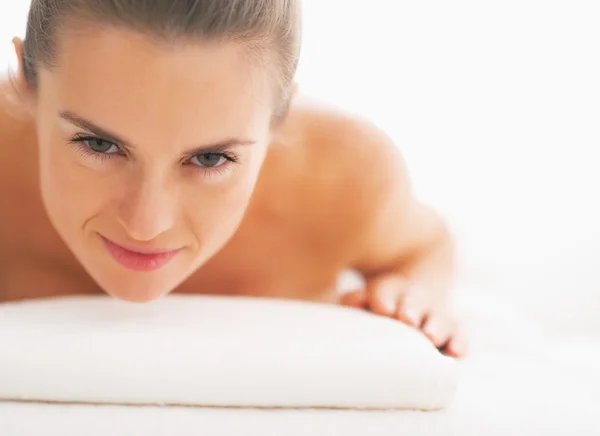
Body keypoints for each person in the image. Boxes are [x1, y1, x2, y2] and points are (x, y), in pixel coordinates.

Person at [0, 0, 465, 357]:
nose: (147, 225)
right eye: (99, 145)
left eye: (208, 158)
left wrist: (414, 291)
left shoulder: (345, 178)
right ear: (26, 79)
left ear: (277, 116)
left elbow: (424, 245)